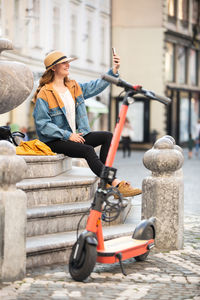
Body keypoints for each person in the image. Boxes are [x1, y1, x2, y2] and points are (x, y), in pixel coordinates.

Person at [33, 50, 142, 197]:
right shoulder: (45, 94)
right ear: (53, 68)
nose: (67, 65)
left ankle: (105, 182)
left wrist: (114, 71)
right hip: (55, 140)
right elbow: (43, 124)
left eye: (68, 62)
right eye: (63, 63)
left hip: (74, 135)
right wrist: (68, 135)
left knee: (107, 136)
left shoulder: (73, 87)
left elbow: (96, 86)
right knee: (88, 150)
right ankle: (115, 183)